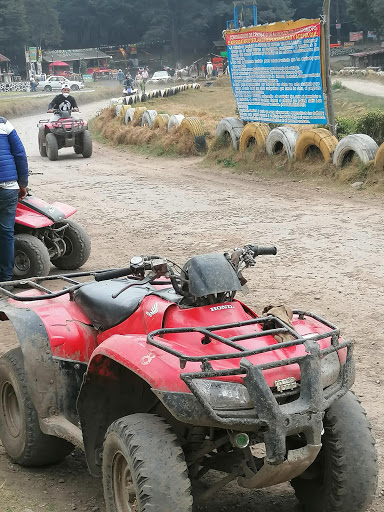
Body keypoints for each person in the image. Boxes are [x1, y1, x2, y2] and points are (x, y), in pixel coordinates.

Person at [0, 117, 28, 284]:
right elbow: (19, 154)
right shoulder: (3, 124)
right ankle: (6, 280)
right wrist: (23, 183)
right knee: (6, 234)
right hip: (9, 187)